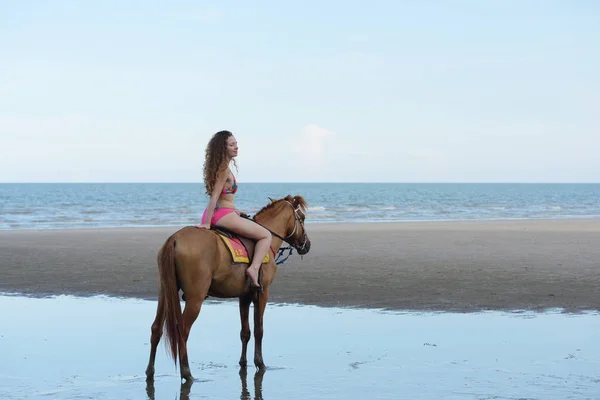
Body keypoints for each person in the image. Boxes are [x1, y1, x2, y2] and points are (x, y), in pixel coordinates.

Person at [197, 130, 271, 289]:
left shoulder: (221, 167)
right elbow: (215, 197)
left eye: (236, 144)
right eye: (232, 145)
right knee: (266, 235)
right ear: (223, 149)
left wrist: (235, 209)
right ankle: (254, 268)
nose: (236, 147)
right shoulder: (223, 169)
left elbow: (223, 196)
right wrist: (206, 224)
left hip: (224, 212)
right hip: (222, 215)